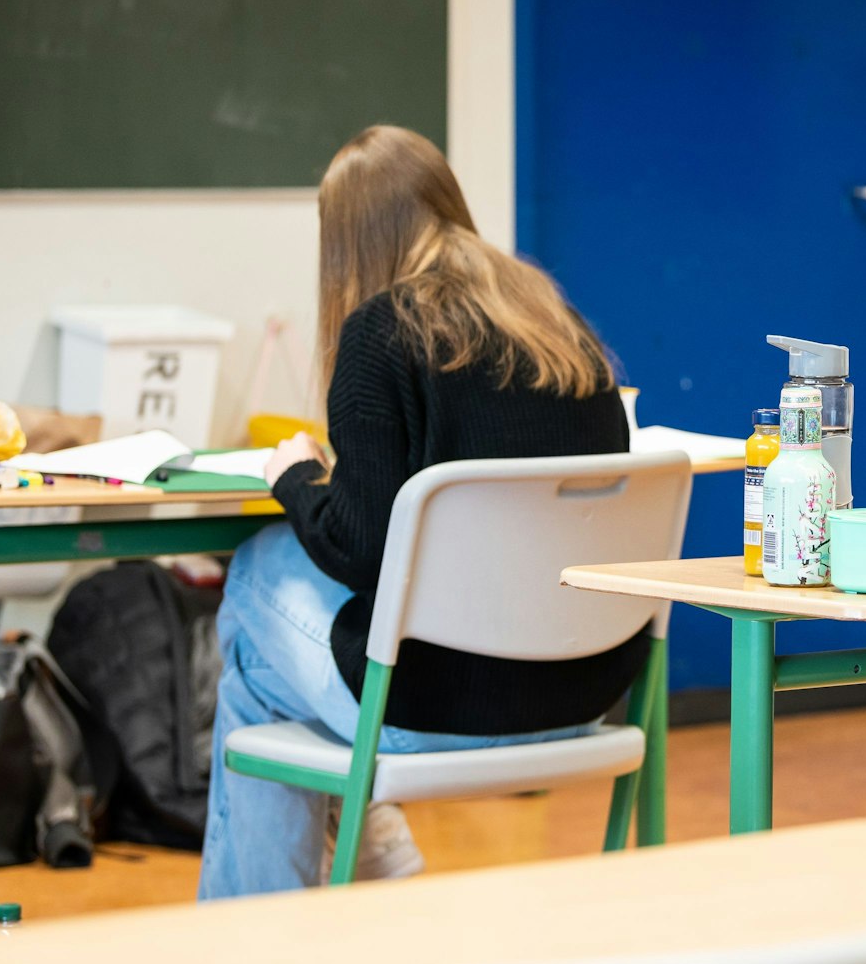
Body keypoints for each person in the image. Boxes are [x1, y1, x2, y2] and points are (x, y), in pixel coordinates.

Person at [199, 126, 644, 898]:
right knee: (268, 677)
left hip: (439, 709)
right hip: (587, 694)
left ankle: (276, 919)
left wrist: (298, 475)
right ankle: (376, 860)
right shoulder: (558, 324)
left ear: (346, 242)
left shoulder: (380, 334)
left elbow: (358, 549)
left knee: (254, 579)